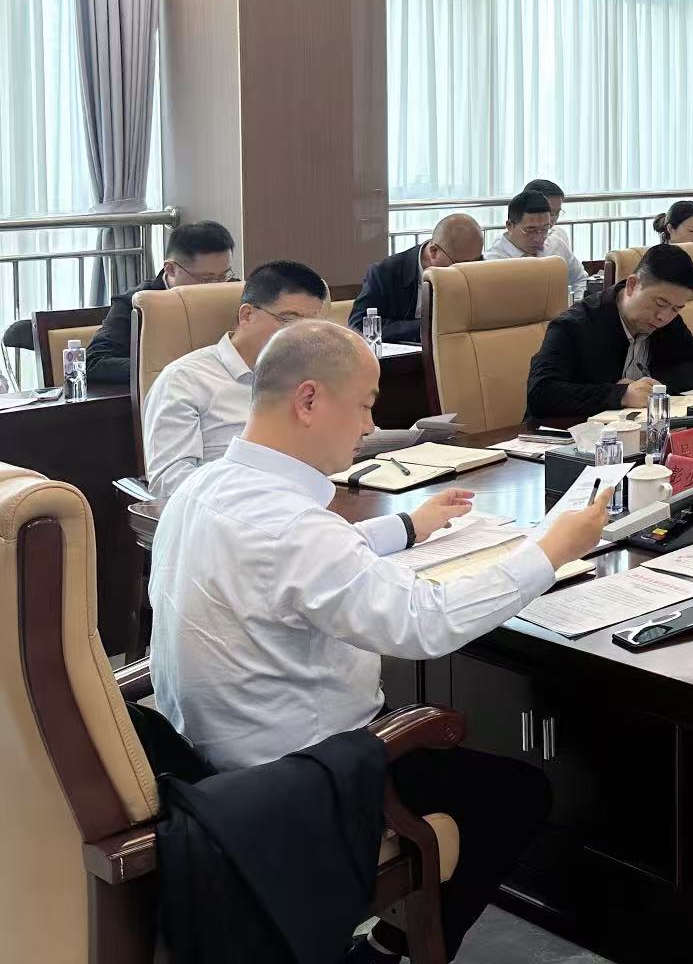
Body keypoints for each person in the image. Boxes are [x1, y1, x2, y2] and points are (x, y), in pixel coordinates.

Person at [148, 317, 610, 961]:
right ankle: (393, 949)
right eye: (365, 405)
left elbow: (298, 567)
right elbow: (422, 622)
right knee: (518, 794)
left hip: (206, 761)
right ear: (309, 400)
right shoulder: (292, 527)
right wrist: (549, 551)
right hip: (303, 779)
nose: (369, 426)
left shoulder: (204, 487)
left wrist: (408, 529)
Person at [143, 259, 328, 499]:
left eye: (312, 325)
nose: (301, 335)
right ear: (247, 315)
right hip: (233, 510)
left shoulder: (310, 375)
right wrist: (257, 491)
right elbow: (169, 481)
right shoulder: (184, 380)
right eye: (289, 320)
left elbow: (347, 436)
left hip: (310, 499)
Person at [526, 243, 693, 418]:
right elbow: (541, 393)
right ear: (632, 285)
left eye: (676, 309)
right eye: (660, 303)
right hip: (571, 432)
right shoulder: (575, 325)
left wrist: (651, 386)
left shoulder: (667, 319)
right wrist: (621, 394)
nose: (664, 316)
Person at [88, 219, 236, 385]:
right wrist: (173, 369)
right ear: (171, 269)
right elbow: (95, 362)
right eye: (206, 278)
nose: (217, 286)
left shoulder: (235, 293)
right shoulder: (135, 303)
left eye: (223, 275)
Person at [348, 213, 484, 345]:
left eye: (477, 260)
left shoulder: (476, 272)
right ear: (433, 251)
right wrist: (425, 327)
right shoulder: (384, 274)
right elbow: (358, 326)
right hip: (408, 357)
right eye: (460, 263)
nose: (467, 270)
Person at [485, 189, 586, 302]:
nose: (539, 238)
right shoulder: (492, 262)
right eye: (530, 230)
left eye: (545, 229)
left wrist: (576, 304)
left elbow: (579, 278)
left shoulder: (556, 244)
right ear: (510, 225)